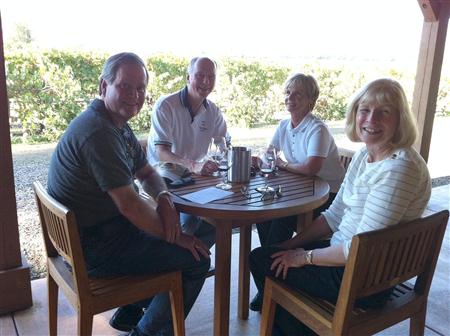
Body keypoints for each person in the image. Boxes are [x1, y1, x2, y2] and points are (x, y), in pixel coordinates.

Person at [249, 78, 431, 335]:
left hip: (365, 279)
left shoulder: (399, 168)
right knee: (273, 253)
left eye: (384, 112)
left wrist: (304, 257)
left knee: (260, 260)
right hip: (347, 257)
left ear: (400, 119)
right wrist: (290, 245)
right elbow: (334, 216)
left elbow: (358, 249)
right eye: (365, 110)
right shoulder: (365, 154)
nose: (371, 119)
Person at [47, 52, 210, 336]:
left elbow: (146, 173)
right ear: (103, 87)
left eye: (141, 88)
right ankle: (144, 332)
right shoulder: (99, 133)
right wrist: (177, 236)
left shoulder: (115, 125)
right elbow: (130, 207)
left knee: (202, 235)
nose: (135, 95)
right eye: (125, 86)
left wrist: (164, 199)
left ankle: (133, 310)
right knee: (197, 258)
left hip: (101, 234)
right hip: (97, 249)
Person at [250, 73, 345, 311]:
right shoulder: (284, 125)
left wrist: (280, 164)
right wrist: (261, 160)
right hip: (301, 191)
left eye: (297, 94)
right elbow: (269, 154)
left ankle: (270, 279)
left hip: (328, 198)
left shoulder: (317, 129)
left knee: (280, 216)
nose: (290, 97)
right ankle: (271, 273)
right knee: (264, 215)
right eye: (288, 92)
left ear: (311, 102)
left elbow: (311, 168)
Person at [147, 56, 228, 248]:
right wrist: (194, 165)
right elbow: (161, 153)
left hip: (195, 179)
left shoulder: (213, 111)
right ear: (188, 77)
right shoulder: (166, 105)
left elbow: (224, 146)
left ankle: (189, 261)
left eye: (211, 76)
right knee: (191, 219)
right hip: (161, 177)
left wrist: (236, 157)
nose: (206, 81)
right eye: (200, 75)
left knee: (221, 219)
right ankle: (181, 260)